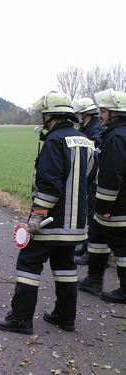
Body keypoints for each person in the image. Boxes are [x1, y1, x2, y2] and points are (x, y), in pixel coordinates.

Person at [0, 91, 96, 334]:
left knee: (28, 264)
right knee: (65, 267)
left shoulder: (53, 141)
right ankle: (65, 317)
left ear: (50, 115)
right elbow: (91, 179)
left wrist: (37, 217)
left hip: (50, 221)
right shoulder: (86, 141)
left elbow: (49, 185)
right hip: (76, 224)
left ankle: (20, 319)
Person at [78, 88, 126, 304]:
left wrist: (103, 206)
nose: (100, 115)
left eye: (104, 111)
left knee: (121, 247)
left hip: (117, 205)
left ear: (114, 113)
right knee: (97, 237)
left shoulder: (116, 137)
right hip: (115, 203)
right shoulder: (117, 133)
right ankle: (94, 279)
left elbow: (110, 175)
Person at [71, 98, 105, 265]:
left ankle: (90, 251)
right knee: (87, 213)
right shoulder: (87, 127)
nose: (77, 116)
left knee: (91, 215)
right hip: (89, 178)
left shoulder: (96, 130)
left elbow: (96, 151)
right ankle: (85, 246)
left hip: (94, 179)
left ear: (84, 114)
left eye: (78, 113)